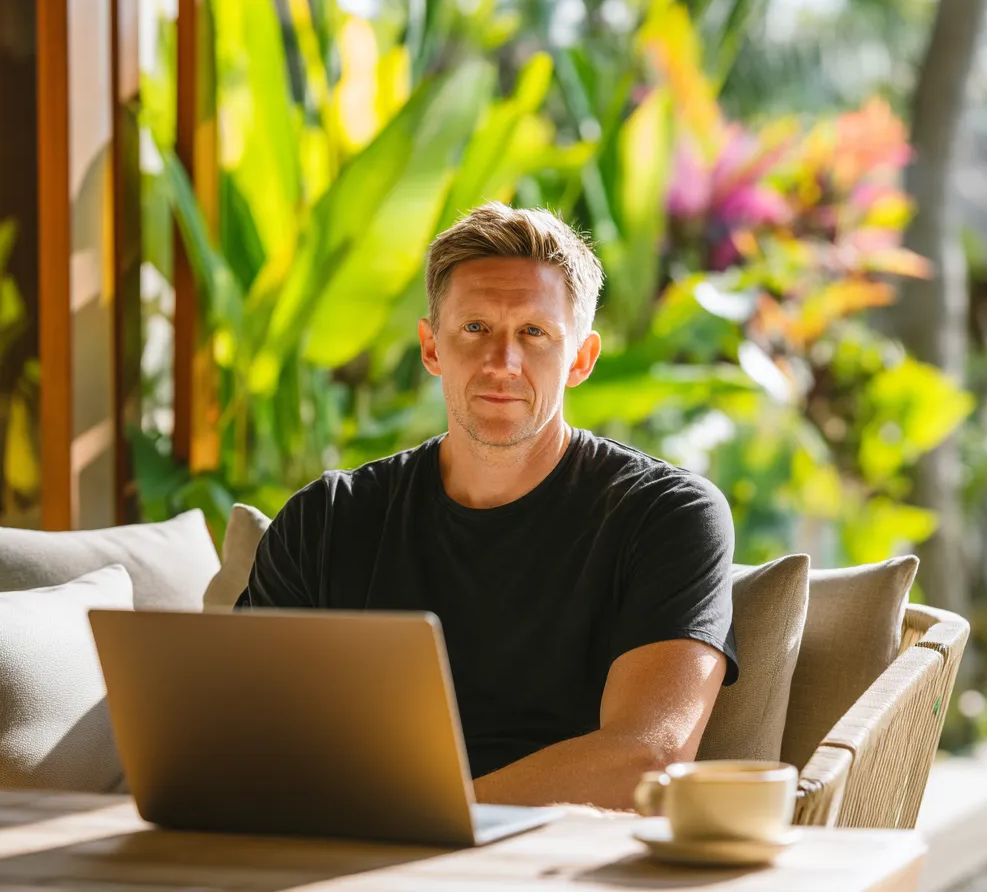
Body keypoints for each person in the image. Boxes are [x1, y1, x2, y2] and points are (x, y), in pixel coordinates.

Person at [236, 202, 738, 811]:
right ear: (430, 347)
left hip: (552, 869)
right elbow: (238, 732)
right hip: (340, 856)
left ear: (580, 358)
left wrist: (426, 823)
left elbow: (647, 758)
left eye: (534, 332)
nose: (503, 362)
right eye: (475, 329)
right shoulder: (327, 519)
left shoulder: (666, 517)